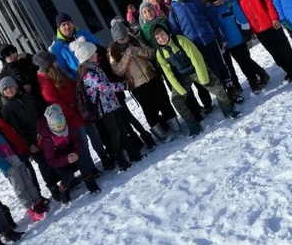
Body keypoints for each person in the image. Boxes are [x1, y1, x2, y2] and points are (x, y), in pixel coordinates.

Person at [33, 49, 114, 173]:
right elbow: (54, 101)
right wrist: (72, 110)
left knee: (94, 134)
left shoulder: (59, 73)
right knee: (83, 143)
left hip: (81, 110)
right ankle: (90, 168)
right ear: (48, 65)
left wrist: (81, 95)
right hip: (71, 116)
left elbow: (73, 85)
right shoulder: (45, 82)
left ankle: (104, 157)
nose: (57, 63)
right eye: (54, 62)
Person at [0, 97, 48, 221]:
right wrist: (6, 167)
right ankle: (30, 207)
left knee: (27, 180)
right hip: (8, 162)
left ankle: (37, 200)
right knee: (19, 186)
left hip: (16, 156)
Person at [167, 0, 244, 105]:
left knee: (222, 65)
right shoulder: (173, 12)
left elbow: (211, 19)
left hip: (211, 39)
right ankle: (224, 97)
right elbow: (177, 34)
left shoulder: (195, 1)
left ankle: (232, 91)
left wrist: (221, 37)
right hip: (196, 46)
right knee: (213, 70)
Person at [71, 39, 142, 171]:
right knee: (115, 133)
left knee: (122, 129)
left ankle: (132, 154)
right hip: (104, 109)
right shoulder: (88, 74)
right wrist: (123, 86)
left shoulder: (95, 68)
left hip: (112, 104)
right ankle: (120, 159)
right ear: (88, 56)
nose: (96, 54)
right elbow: (104, 86)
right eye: (93, 53)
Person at [152, 24, 240, 131]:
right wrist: (180, 89)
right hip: (182, 75)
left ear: (166, 33)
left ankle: (228, 110)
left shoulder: (180, 40)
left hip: (196, 68)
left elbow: (196, 57)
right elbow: (168, 73)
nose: (161, 39)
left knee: (217, 88)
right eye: (157, 38)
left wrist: (203, 78)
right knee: (176, 100)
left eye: (162, 34)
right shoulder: (160, 53)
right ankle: (192, 125)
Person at [138, 1, 213, 121]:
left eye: (149, 10)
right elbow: (146, 50)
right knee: (181, 88)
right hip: (165, 64)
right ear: (142, 16)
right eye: (145, 12)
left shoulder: (164, 21)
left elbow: (176, 35)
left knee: (195, 80)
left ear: (154, 10)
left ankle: (206, 103)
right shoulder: (143, 32)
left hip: (180, 57)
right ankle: (194, 112)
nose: (148, 13)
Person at [108, 21, 183, 143]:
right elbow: (118, 71)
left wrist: (139, 51)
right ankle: (161, 134)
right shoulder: (112, 52)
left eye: (126, 36)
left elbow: (152, 54)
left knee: (164, 102)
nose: (125, 40)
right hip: (137, 85)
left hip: (151, 76)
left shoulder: (135, 40)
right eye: (121, 39)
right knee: (149, 109)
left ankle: (176, 126)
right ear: (116, 40)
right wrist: (127, 56)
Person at [0, 75, 61, 202]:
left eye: (10, 87)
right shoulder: (7, 108)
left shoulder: (27, 97)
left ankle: (63, 181)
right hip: (32, 139)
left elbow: (41, 110)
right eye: (5, 89)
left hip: (45, 133)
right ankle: (53, 187)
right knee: (44, 164)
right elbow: (17, 130)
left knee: (54, 157)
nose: (9, 90)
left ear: (15, 86)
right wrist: (29, 144)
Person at [203, 0, 271, 94]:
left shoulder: (230, 2)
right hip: (222, 43)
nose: (218, 3)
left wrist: (247, 34)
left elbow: (241, 18)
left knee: (244, 62)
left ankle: (254, 81)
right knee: (235, 65)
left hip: (237, 39)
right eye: (215, 2)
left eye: (219, 0)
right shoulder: (209, 10)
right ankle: (249, 79)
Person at [38, 104, 101, 204]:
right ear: (51, 125)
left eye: (63, 124)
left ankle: (92, 186)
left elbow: (77, 141)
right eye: (58, 126)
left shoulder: (68, 127)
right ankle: (64, 193)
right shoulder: (47, 139)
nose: (61, 127)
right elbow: (50, 161)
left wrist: (75, 152)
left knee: (83, 162)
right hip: (59, 162)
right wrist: (65, 159)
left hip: (71, 155)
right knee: (68, 175)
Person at [50, 12, 105, 80]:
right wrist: (76, 79)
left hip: (100, 71)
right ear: (59, 28)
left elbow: (101, 48)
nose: (67, 26)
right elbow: (62, 69)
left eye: (68, 23)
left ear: (72, 23)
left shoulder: (84, 34)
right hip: (80, 79)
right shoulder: (57, 48)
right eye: (63, 25)